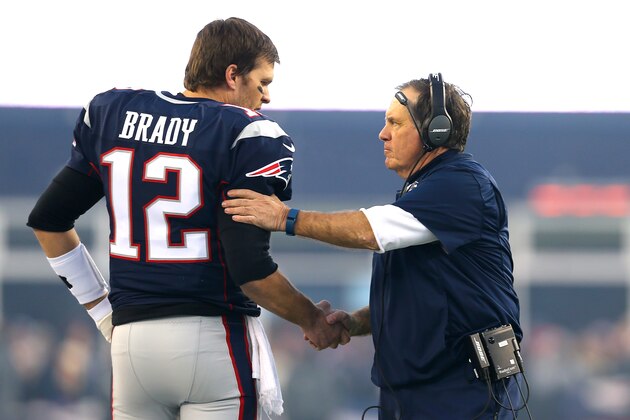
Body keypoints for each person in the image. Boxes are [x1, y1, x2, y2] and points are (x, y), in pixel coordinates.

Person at [27, 17, 348, 420]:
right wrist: (311, 319)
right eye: (263, 83)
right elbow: (249, 267)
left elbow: (48, 221)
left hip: (130, 346)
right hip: (210, 340)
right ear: (233, 75)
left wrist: (103, 313)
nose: (266, 98)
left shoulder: (112, 112)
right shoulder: (247, 133)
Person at [222, 74, 524, 419]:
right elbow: (417, 297)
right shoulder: (425, 191)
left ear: (435, 130)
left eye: (395, 123)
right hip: (418, 391)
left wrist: (284, 218)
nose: (383, 134)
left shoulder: (462, 183)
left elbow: (369, 231)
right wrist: (353, 322)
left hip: (460, 391)